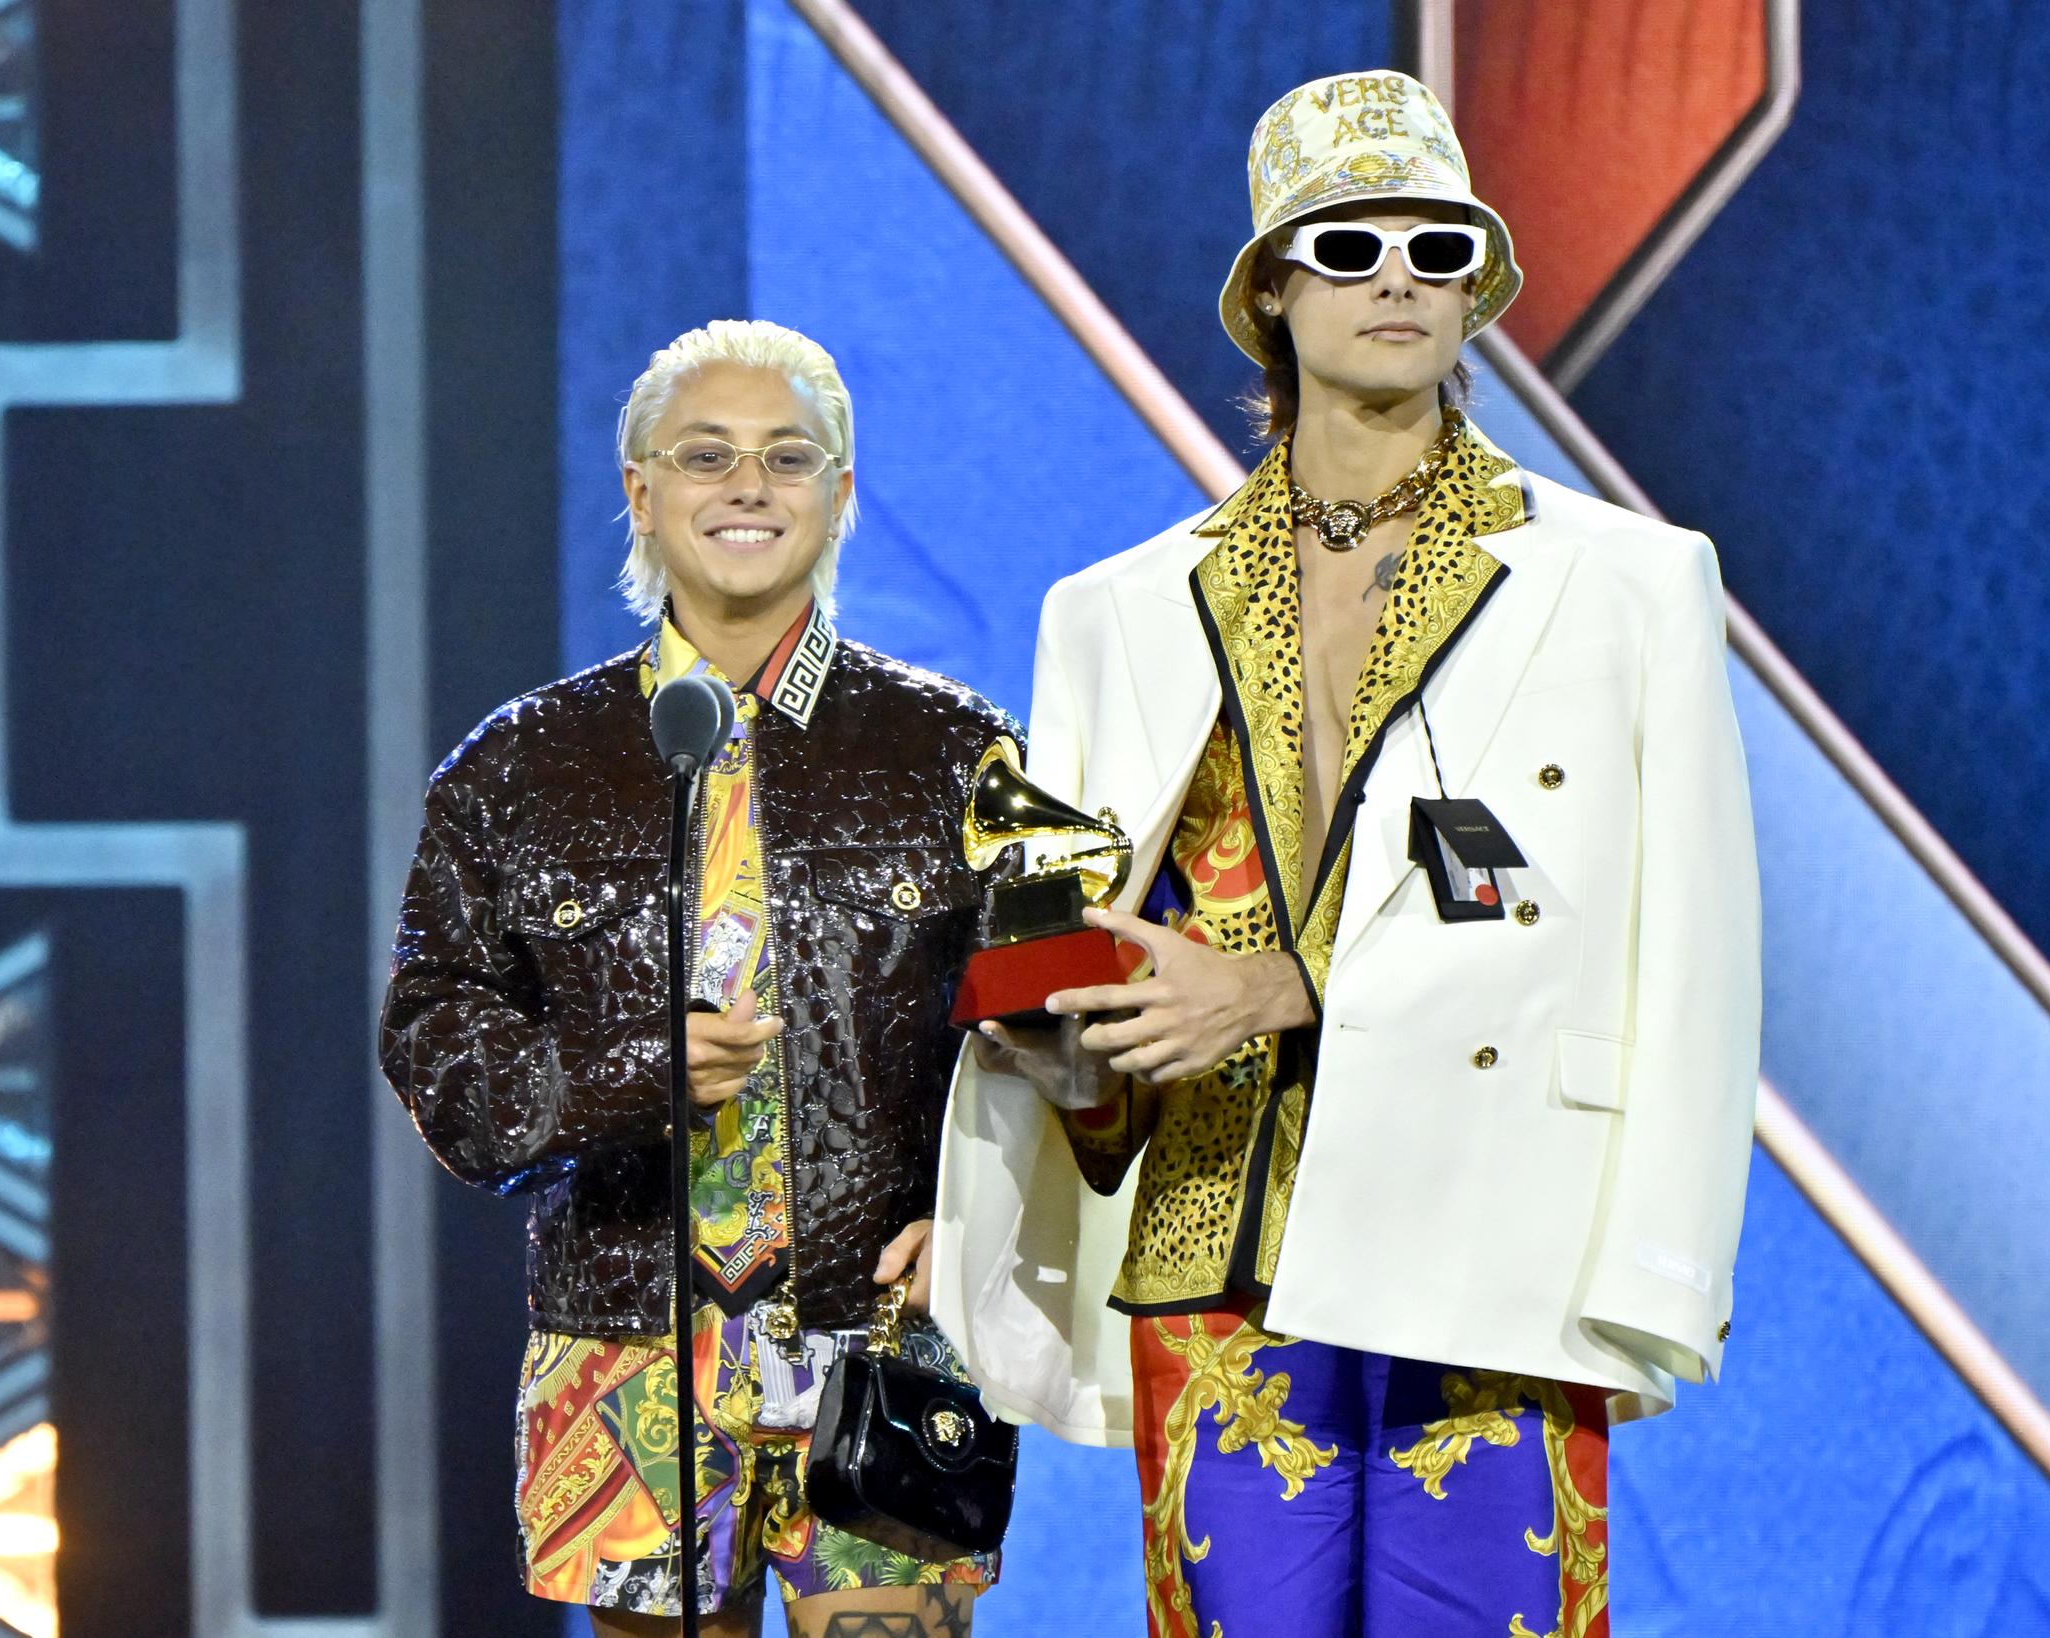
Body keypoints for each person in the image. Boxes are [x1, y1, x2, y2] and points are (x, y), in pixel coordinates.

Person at [932, 72, 1760, 1638]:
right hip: (1218, 1223)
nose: (1398, 276)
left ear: (1478, 295)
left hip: (1500, 1232)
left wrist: (1657, 1271)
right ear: (1271, 290)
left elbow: (1691, 948)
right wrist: (1063, 1043)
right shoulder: (1114, 609)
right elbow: (1092, 928)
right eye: (1353, 241)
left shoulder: (1626, 581)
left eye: (1438, 247)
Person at [382, 321, 1016, 1636]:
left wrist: (990, 1216)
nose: (747, 486)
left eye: (789, 458)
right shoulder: (518, 769)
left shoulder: (960, 753)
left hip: (890, 1338)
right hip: (621, 1338)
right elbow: (440, 1057)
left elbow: (1047, 1040)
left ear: (842, 495)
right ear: (640, 489)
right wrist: (633, 1071)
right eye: (706, 455)